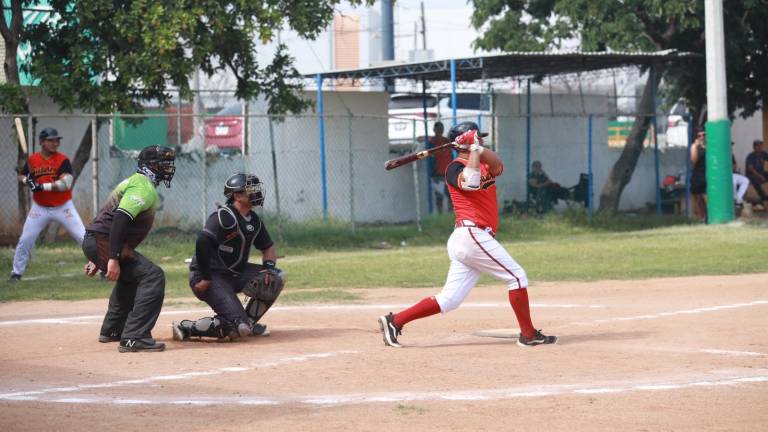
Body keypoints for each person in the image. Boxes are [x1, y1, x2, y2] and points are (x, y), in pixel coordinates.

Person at [378, 121, 557, 348]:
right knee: (517, 277)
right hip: (471, 234)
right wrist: (472, 151)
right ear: (461, 143)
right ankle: (529, 334)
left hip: (472, 238)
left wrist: (476, 149)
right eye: (476, 138)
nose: (481, 140)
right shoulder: (454, 168)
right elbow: (471, 183)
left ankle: (395, 321)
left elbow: (498, 165)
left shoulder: (483, 162)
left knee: (449, 300)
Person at [82, 145, 176, 353]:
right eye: (164, 164)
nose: (169, 168)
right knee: (153, 276)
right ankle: (135, 336)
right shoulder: (142, 186)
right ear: (151, 166)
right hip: (103, 241)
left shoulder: (136, 182)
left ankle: (113, 330)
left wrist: (99, 257)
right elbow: (119, 220)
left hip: (100, 241)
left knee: (133, 276)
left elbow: (106, 222)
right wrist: (111, 257)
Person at [172, 173, 285, 341]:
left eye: (256, 189)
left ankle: (248, 322)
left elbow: (268, 247)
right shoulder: (223, 216)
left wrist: (268, 269)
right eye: (251, 190)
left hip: (235, 274)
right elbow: (202, 241)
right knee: (237, 330)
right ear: (237, 195)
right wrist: (205, 277)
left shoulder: (254, 220)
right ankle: (187, 327)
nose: (257, 193)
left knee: (277, 277)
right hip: (209, 277)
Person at [9, 127, 86, 281]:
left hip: (63, 206)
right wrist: (27, 181)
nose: (55, 143)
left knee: (84, 237)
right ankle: (16, 273)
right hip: (40, 208)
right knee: (25, 240)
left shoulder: (62, 160)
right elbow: (22, 176)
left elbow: (66, 184)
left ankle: (104, 268)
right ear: (41, 142)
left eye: (57, 140)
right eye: (51, 140)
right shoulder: (32, 160)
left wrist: (42, 186)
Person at [427, 121, 452, 213]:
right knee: (439, 196)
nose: (440, 131)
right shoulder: (431, 143)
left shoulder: (446, 141)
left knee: (451, 196)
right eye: (438, 129)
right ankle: (440, 214)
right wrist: (433, 174)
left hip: (448, 174)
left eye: (441, 129)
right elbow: (430, 160)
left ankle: (450, 215)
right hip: (438, 175)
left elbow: (451, 157)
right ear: (434, 130)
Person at [745, 139, 768, 208]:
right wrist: (760, 176)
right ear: (754, 147)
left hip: (762, 173)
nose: (760, 147)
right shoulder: (750, 156)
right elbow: (750, 168)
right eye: (758, 146)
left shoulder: (764, 154)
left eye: (761, 145)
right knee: (755, 180)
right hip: (752, 175)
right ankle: (764, 197)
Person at [690, 132, 707, 221]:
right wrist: (696, 146)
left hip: (708, 174)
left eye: (704, 135)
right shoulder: (694, 147)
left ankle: (708, 217)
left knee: (706, 197)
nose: (702, 137)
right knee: (698, 198)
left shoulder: (709, 146)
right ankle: (701, 218)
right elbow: (694, 161)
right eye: (699, 135)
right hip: (698, 174)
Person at [732, 143, 749, 209]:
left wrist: (732, 167)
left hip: (731, 173)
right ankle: (735, 199)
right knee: (733, 182)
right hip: (722, 175)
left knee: (745, 180)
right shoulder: (720, 154)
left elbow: (734, 165)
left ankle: (738, 198)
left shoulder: (731, 154)